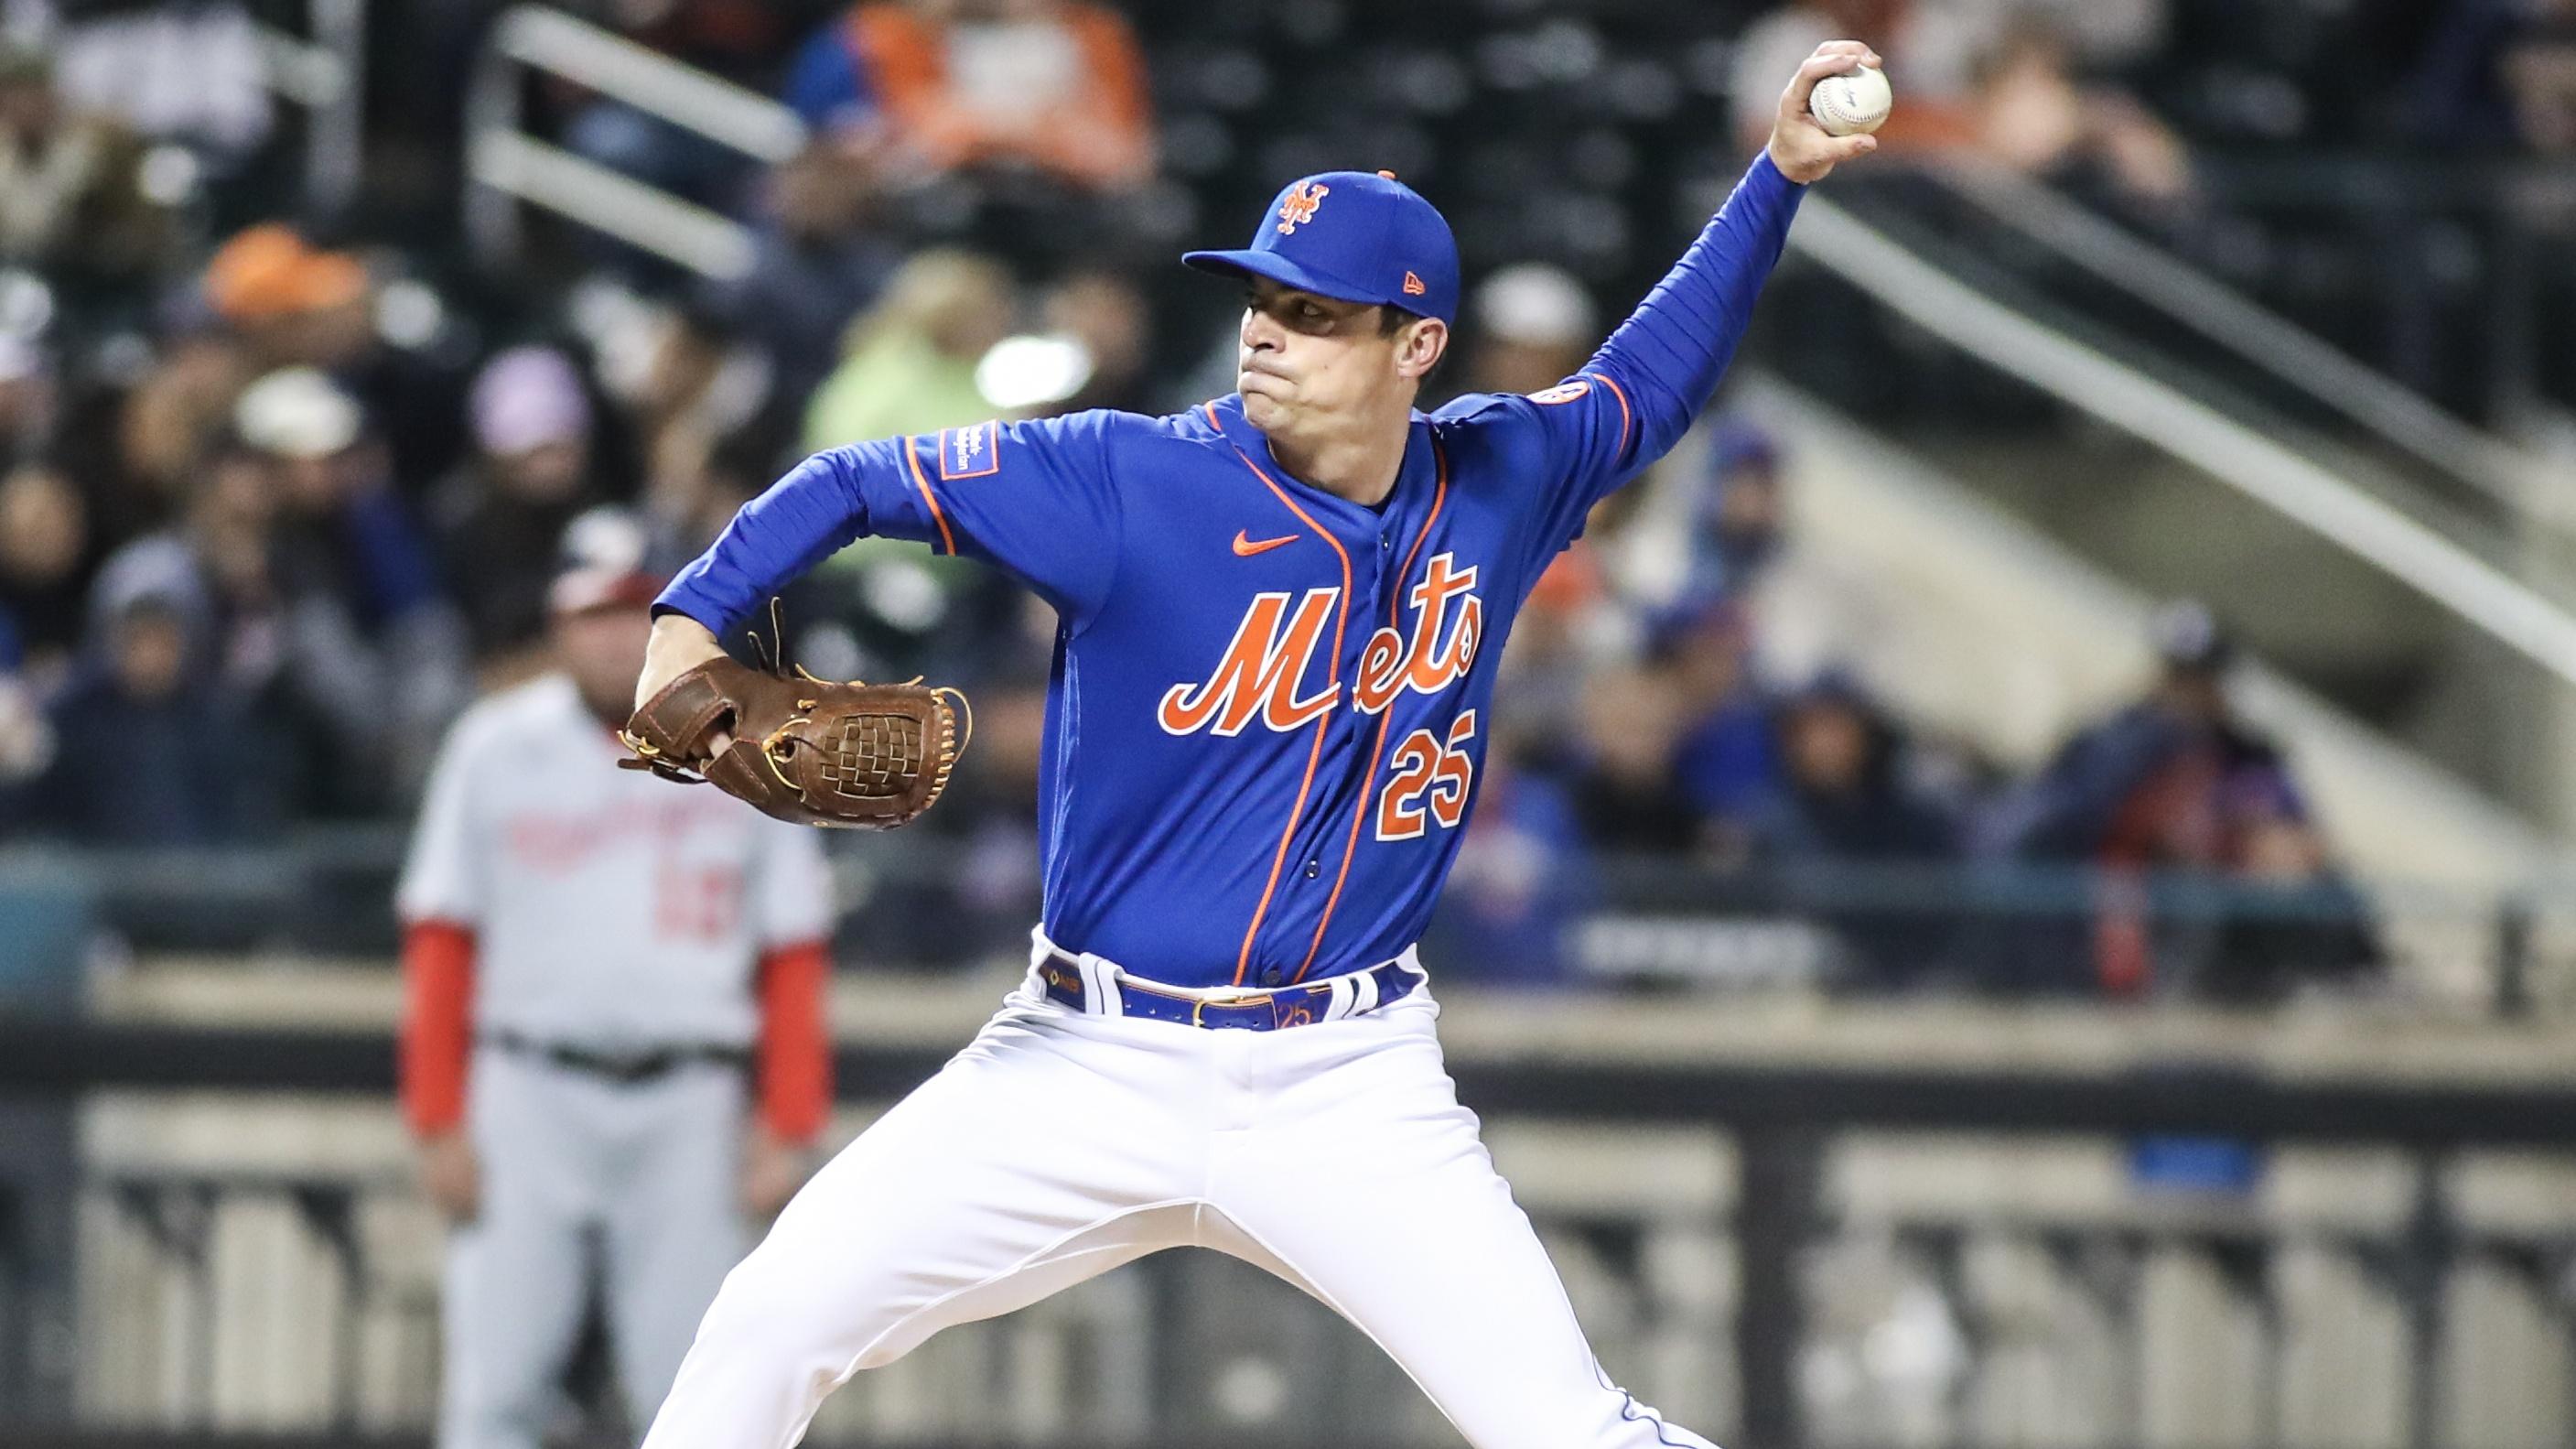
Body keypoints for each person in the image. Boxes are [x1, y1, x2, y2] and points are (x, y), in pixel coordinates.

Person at [627, 43, 1879, 1449]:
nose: (1262, 332)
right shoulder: (1125, 476)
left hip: (1347, 1085)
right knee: (769, 1322)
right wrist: (693, 611)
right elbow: (857, 476)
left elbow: (1649, 380)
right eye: (1258, 301)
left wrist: (1772, 180)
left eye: (1312, 312)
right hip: (1079, 1059)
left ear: (1414, 347)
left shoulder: (1501, 477)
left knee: (1566, 1428)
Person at [397, 552, 837, 1449]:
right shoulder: (494, 743)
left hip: (692, 1103)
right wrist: (437, 1116)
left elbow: (791, 949)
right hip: (526, 1090)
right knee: (496, 1390)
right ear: (558, 631)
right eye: (593, 614)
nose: (613, 636)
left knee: (695, 1395)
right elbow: (442, 936)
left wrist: (788, 1118)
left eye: (634, 613)